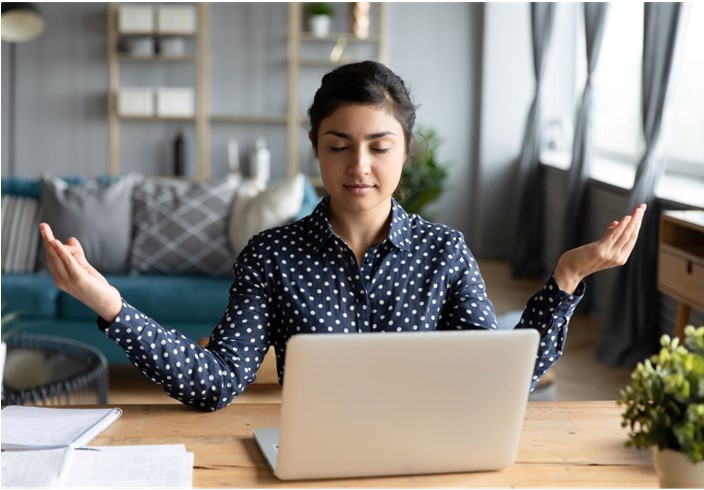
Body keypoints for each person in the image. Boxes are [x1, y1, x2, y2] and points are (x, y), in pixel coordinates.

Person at [39, 61, 645, 412]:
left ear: (406, 153)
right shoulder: (271, 256)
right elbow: (216, 385)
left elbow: (497, 376)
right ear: (316, 152)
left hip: (428, 456)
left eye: (380, 147)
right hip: (310, 461)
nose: (359, 166)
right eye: (339, 146)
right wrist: (110, 306)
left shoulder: (445, 251)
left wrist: (566, 278)